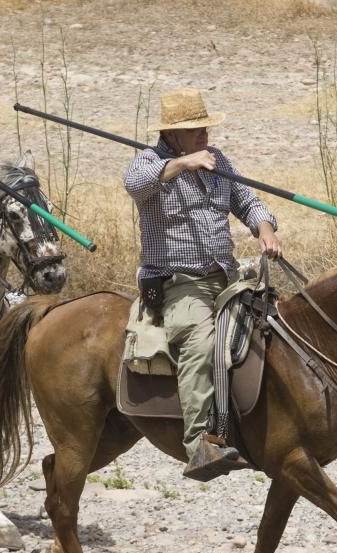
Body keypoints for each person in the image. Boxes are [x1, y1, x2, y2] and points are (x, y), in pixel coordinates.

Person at [124, 87, 282, 481]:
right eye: (195, 130)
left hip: (226, 277)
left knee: (276, 328)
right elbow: (137, 185)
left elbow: (247, 200)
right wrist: (182, 165)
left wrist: (264, 228)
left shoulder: (217, 160)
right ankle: (199, 445)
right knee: (202, 340)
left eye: (205, 128)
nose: (204, 135)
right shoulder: (148, 162)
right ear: (172, 134)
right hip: (178, 283)